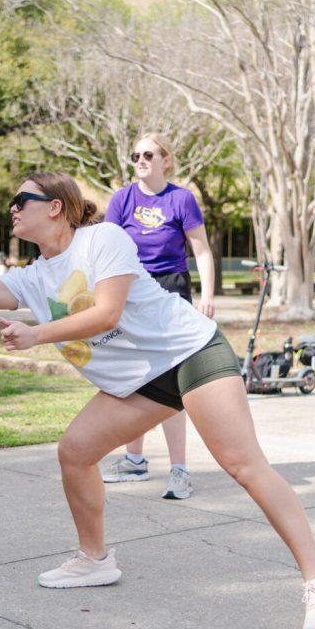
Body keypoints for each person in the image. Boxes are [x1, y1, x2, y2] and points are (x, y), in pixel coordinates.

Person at [0, 171, 315, 629]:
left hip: (190, 352)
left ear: (58, 207)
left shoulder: (103, 239)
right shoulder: (33, 276)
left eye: (23, 200)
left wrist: (38, 333)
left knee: (242, 465)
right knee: (76, 451)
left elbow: (106, 311)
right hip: (143, 381)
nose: (13, 210)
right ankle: (95, 559)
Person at [101, 133, 216, 500]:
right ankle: (134, 461)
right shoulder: (122, 199)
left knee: (169, 383)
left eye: (148, 154)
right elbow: (106, 249)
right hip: (130, 290)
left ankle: (179, 470)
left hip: (170, 290)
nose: (140, 160)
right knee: (133, 376)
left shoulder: (181, 199)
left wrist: (207, 296)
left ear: (166, 159)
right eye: (135, 155)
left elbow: (201, 250)